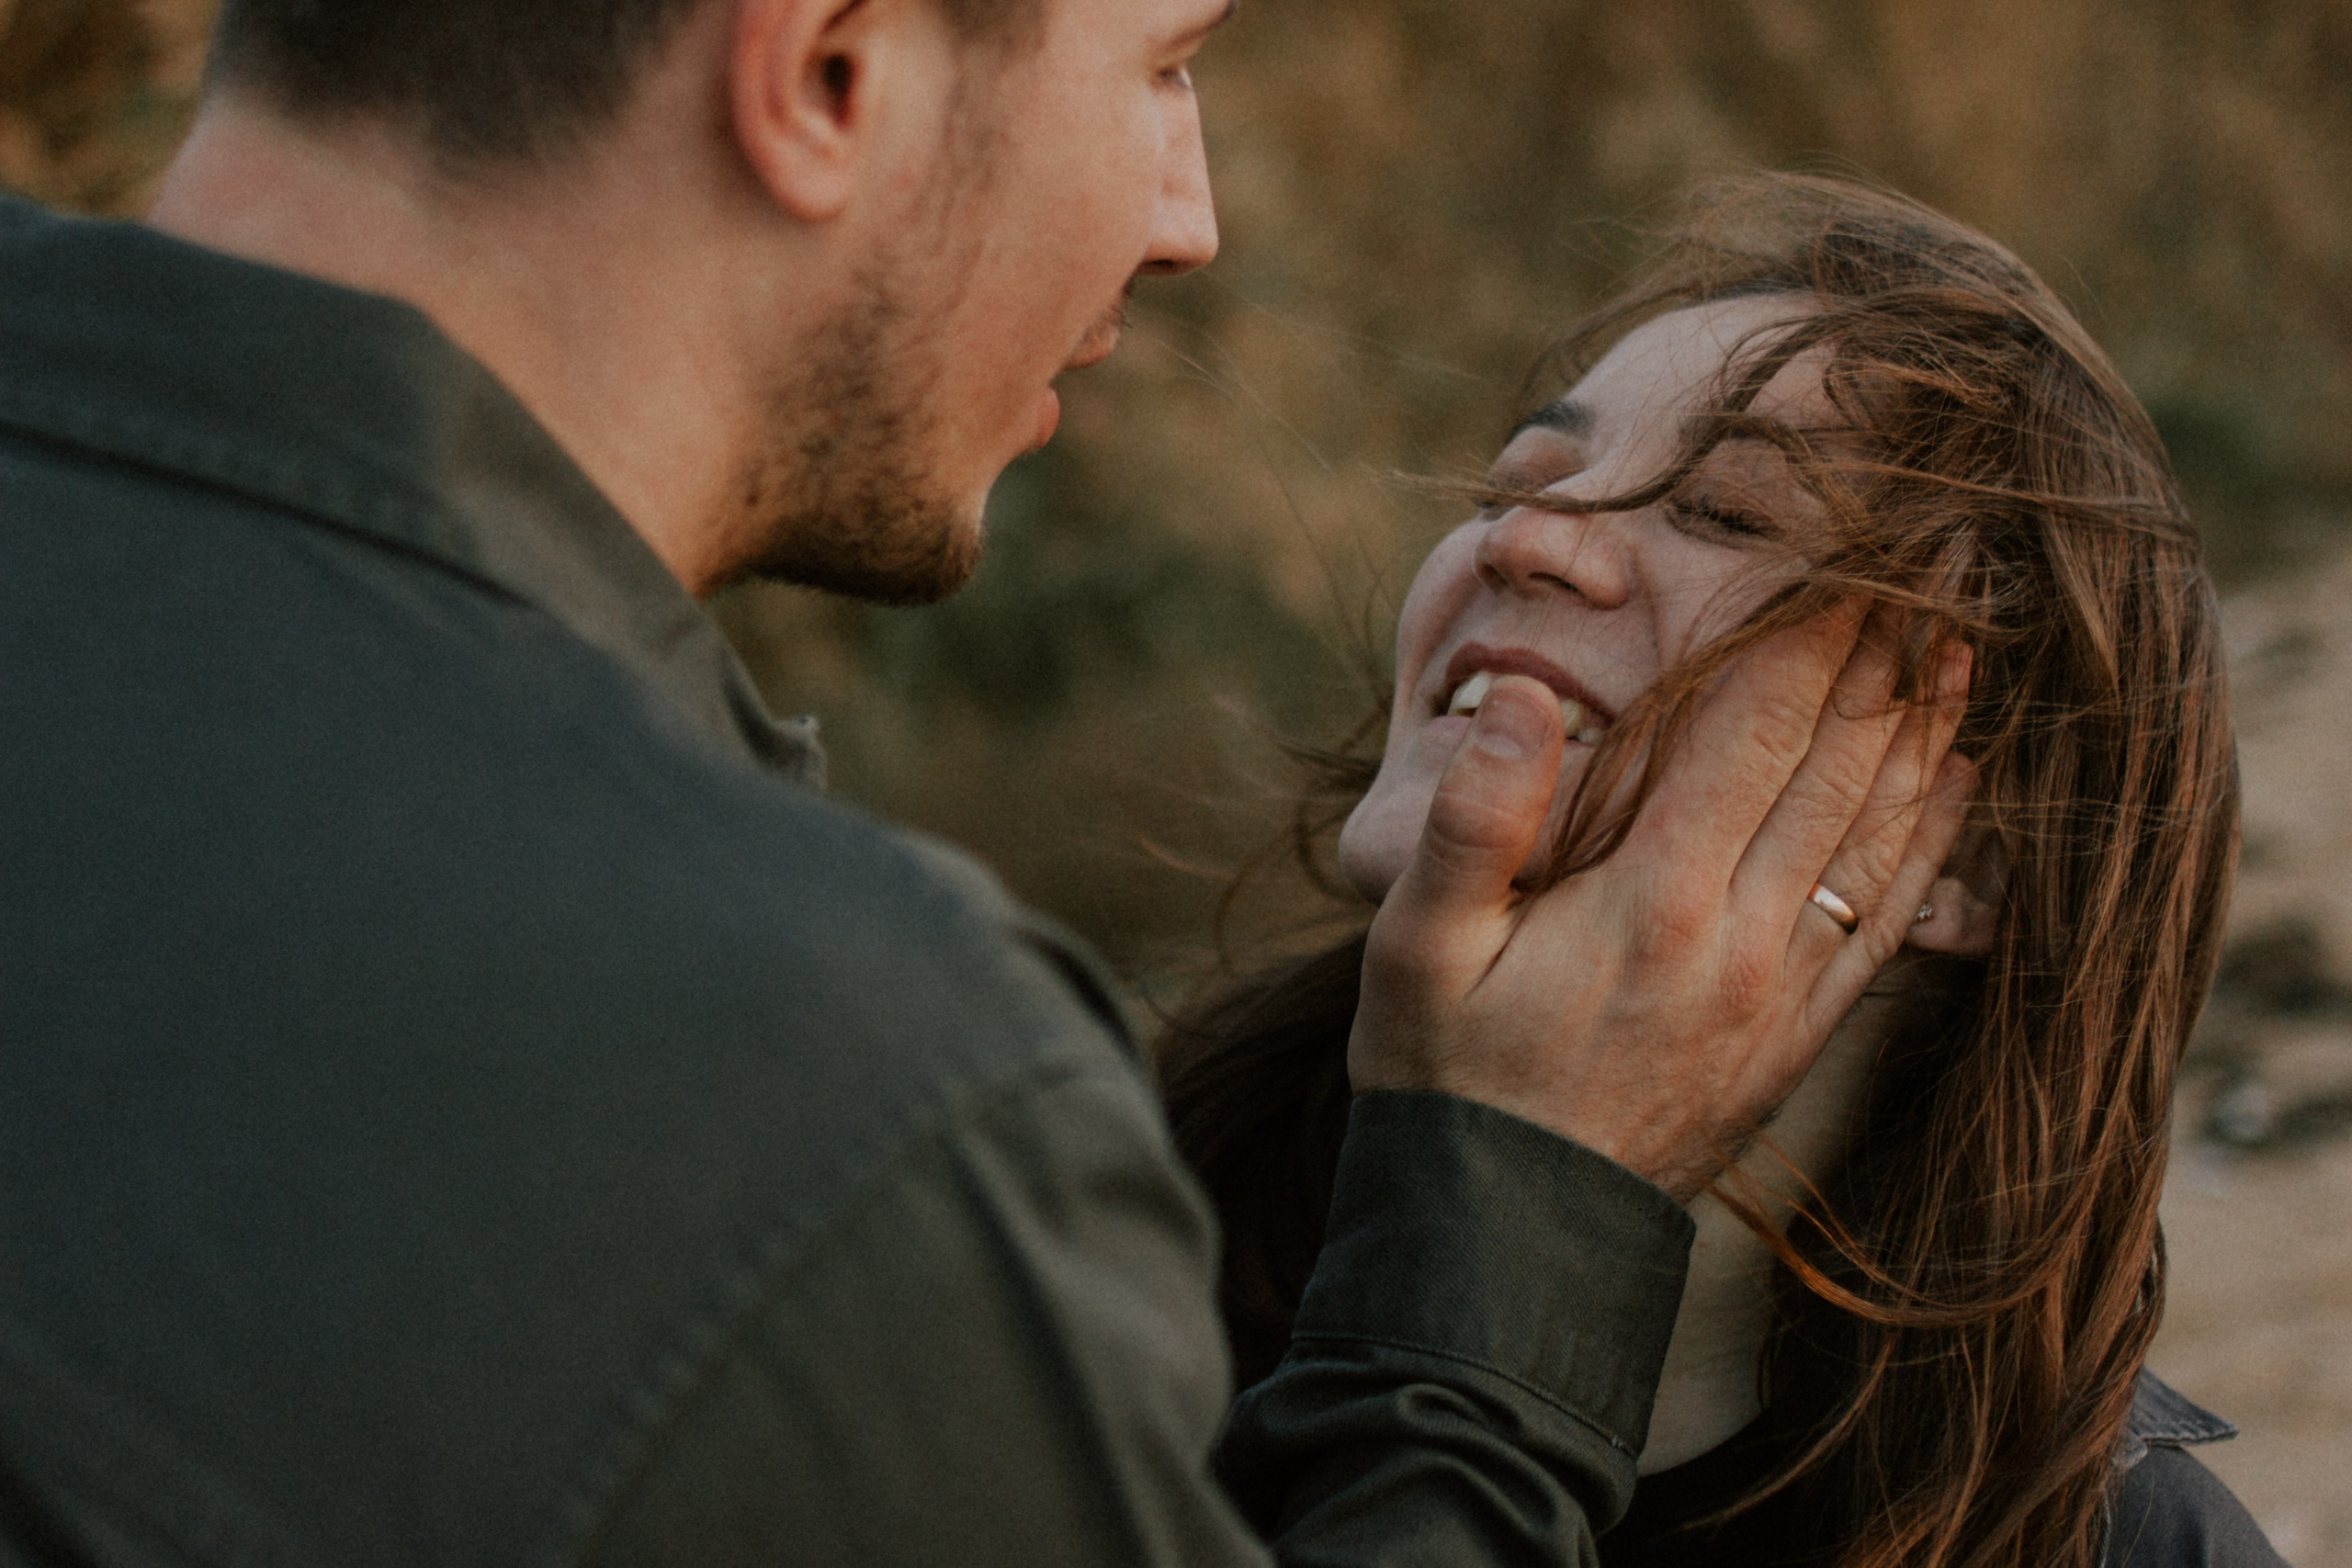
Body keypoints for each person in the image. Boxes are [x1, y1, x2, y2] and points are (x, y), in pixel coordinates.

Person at [3, 1, 1966, 1562]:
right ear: (828, 71)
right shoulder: (826, 1114)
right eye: (1165, 65)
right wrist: (1502, 1291)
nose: (1185, 215)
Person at [1162, 175, 2285, 1567]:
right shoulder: (1069, 1286)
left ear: (1974, 855)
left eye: (1730, 513)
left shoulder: (2119, 1550)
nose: (1524, 535)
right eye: (1525, 480)